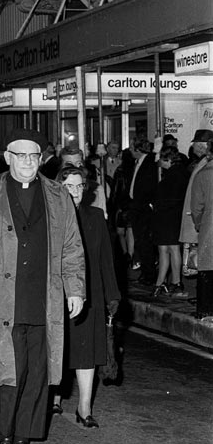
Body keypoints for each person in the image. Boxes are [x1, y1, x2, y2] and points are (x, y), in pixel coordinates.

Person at [0, 128, 85, 444]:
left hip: (43, 297)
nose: (27, 162)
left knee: (37, 373)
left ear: (41, 159)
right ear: (7, 158)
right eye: (19, 155)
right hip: (2, 297)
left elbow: (71, 245)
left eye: (33, 156)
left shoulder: (56, 194)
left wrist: (75, 287)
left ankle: (24, 440)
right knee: (9, 371)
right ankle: (4, 438)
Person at [51, 166, 120, 427]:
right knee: (59, 348)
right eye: (69, 186)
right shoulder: (51, 217)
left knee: (87, 351)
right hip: (59, 293)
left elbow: (106, 260)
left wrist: (112, 295)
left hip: (90, 294)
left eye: (79, 186)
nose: (75, 191)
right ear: (59, 189)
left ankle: (84, 408)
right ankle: (54, 397)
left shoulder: (96, 216)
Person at [151, 146, 190, 297]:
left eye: (161, 159)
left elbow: (173, 198)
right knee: (167, 249)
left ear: (168, 159)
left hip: (168, 217)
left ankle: (173, 283)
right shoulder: (179, 173)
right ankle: (163, 283)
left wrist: (157, 205)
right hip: (169, 217)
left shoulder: (176, 175)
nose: (159, 162)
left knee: (170, 249)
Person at [179, 130, 213, 279]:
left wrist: (197, 222)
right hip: (199, 220)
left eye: (196, 144)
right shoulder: (201, 163)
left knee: (200, 261)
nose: (194, 148)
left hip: (201, 221)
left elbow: (198, 201)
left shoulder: (205, 165)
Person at [127, 138, 159, 285]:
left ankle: (149, 275)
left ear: (138, 149)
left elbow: (150, 185)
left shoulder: (150, 162)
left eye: (132, 148)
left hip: (144, 208)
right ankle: (146, 272)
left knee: (145, 242)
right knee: (140, 241)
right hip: (136, 207)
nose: (130, 151)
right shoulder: (137, 163)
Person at [190, 137, 213, 321]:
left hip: (210, 227)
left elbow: (197, 207)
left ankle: (206, 310)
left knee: (207, 267)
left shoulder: (203, 174)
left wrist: (199, 224)